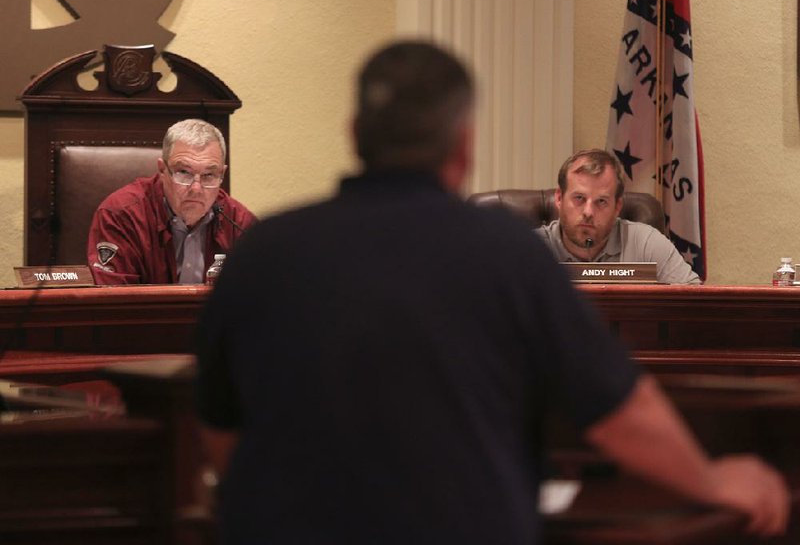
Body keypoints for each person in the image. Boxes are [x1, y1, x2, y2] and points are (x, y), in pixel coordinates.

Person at [195, 41, 787, 544]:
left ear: (354, 134)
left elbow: (220, 427)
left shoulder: (261, 253)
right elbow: (618, 411)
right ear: (463, 146)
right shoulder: (509, 254)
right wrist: (711, 481)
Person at [88, 119, 257, 285]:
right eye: (184, 172)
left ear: (222, 174)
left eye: (209, 175)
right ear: (162, 170)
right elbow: (112, 304)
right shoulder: (121, 216)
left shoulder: (238, 222)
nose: (196, 189)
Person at [537, 148, 701, 284]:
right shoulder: (530, 247)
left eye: (601, 201)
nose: (588, 212)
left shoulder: (645, 243)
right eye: (579, 198)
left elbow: (694, 305)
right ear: (559, 198)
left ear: (617, 207)